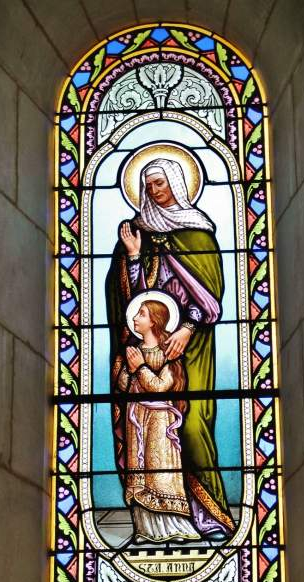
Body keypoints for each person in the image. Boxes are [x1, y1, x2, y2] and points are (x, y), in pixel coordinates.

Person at [106, 157, 235, 537]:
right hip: (148, 346)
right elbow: (130, 300)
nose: (153, 191)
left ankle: (209, 516)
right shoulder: (138, 234)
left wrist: (188, 329)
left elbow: (211, 295)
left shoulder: (198, 235)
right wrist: (133, 255)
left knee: (191, 425)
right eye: (148, 185)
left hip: (191, 348)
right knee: (147, 434)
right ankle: (159, 518)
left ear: (177, 183)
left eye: (159, 183)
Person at [115, 299, 201, 543]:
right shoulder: (132, 351)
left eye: (141, 314)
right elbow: (123, 385)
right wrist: (126, 367)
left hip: (160, 421)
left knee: (161, 473)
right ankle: (145, 529)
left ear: (154, 321)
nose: (135, 318)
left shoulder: (169, 353)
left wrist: (140, 367)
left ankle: (173, 528)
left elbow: (160, 387)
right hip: (136, 420)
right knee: (140, 473)